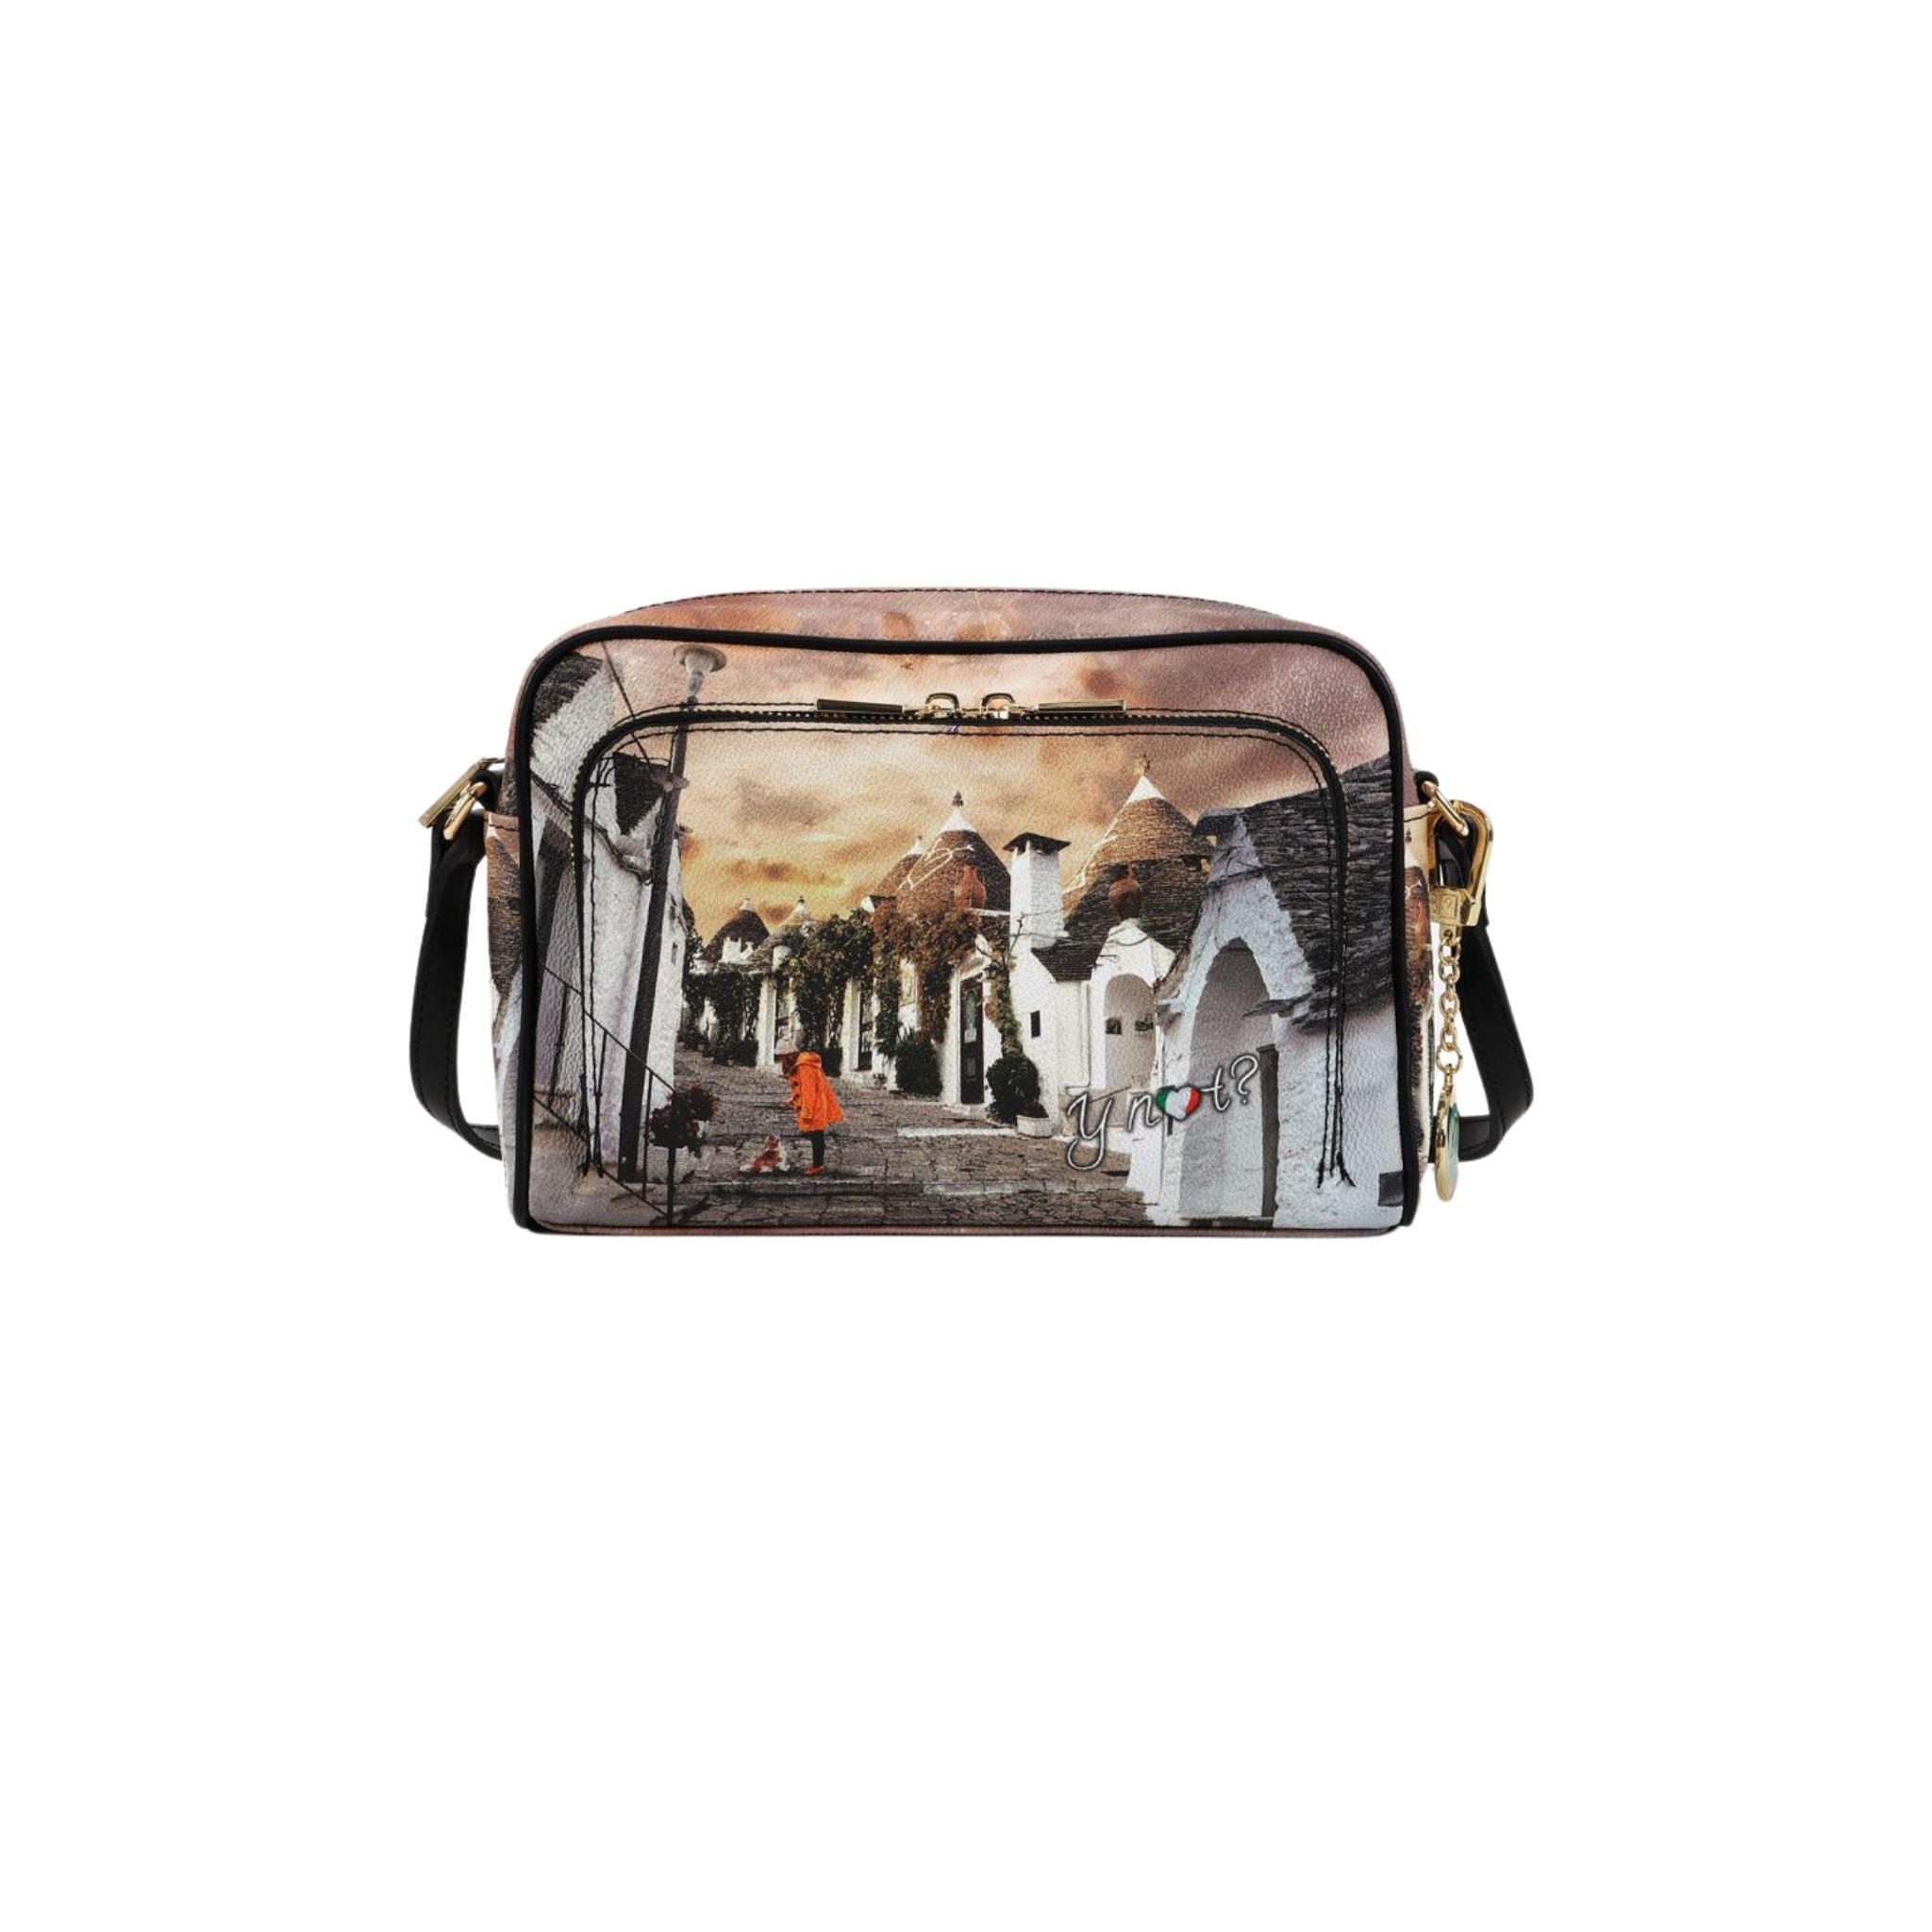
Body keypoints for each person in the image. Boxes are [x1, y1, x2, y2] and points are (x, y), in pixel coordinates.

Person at [774, 1035, 843, 1175]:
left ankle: (818, 1166)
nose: (781, 1060)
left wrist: (807, 1111)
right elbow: (803, 1089)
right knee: (816, 1136)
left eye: (782, 1057)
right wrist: (792, 1100)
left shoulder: (804, 1067)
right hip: (815, 1104)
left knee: (817, 1136)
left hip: (814, 1106)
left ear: (789, 1055)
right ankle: (818, 1165)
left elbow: (809, 1091)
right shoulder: (802, 1064)